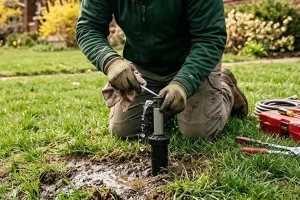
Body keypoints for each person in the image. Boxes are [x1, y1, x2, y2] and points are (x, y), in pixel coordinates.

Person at [76, 0, 248, 139]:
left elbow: (210, 37)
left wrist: (183, 84)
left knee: (197, 132)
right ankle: (167, 102)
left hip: (191, 63)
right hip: (143, 66)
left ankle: (225, 87)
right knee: (123, 130)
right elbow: (89, 27)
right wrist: (110, 62)